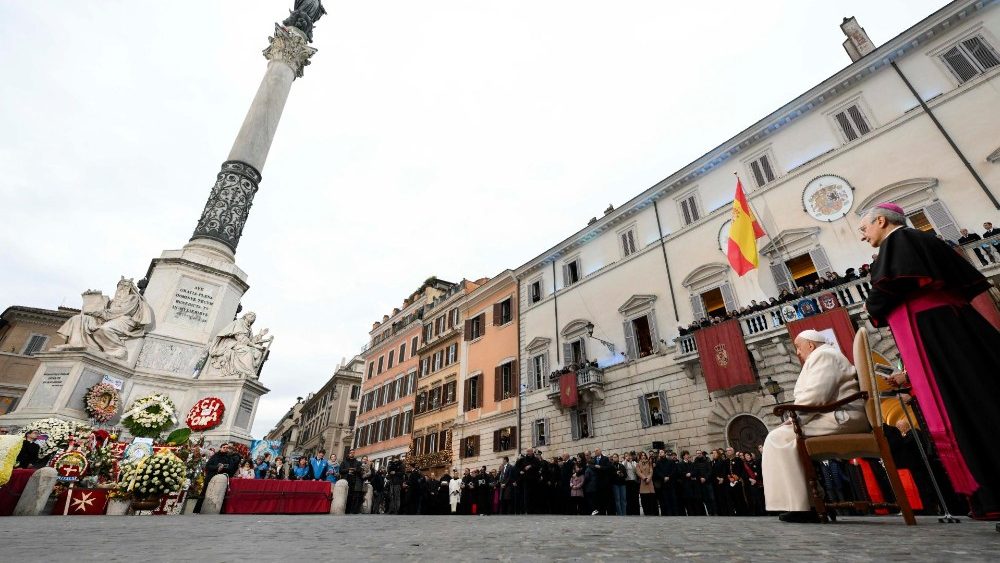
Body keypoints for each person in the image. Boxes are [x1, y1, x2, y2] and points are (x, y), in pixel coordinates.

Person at [862, 203, 1000, 518]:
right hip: (947, 328)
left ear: (882, 221)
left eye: (864, 228)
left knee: (960, 404)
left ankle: (989, 491)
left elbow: (888, 290)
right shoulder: (919, 241)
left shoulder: (901, 242)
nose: (863, 235)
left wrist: (873, 308)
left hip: (934, 329)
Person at [762, 330, 869, 523]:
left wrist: (796, 419)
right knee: (781, 436)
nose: (797, 352)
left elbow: (817, 395)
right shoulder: (825, 355)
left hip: (841, 416)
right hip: (833, 413)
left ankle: (805, 506)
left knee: (779, 438)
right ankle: (807, 502)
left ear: (810, 345)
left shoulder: (824, 355)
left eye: (798, 347)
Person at [636, 451, 656, 516]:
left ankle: (652, 512)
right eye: (642, 455)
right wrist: (644, 478)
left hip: (649, 482)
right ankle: (646, 512)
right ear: (640, 457)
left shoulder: (649, 463)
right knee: (644, 499)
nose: (643, 456)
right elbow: (638, 472)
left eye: (644, 455)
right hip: (643, 482)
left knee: (651, 498)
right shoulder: (638, 464)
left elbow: (651, 471)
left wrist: (648, 478)